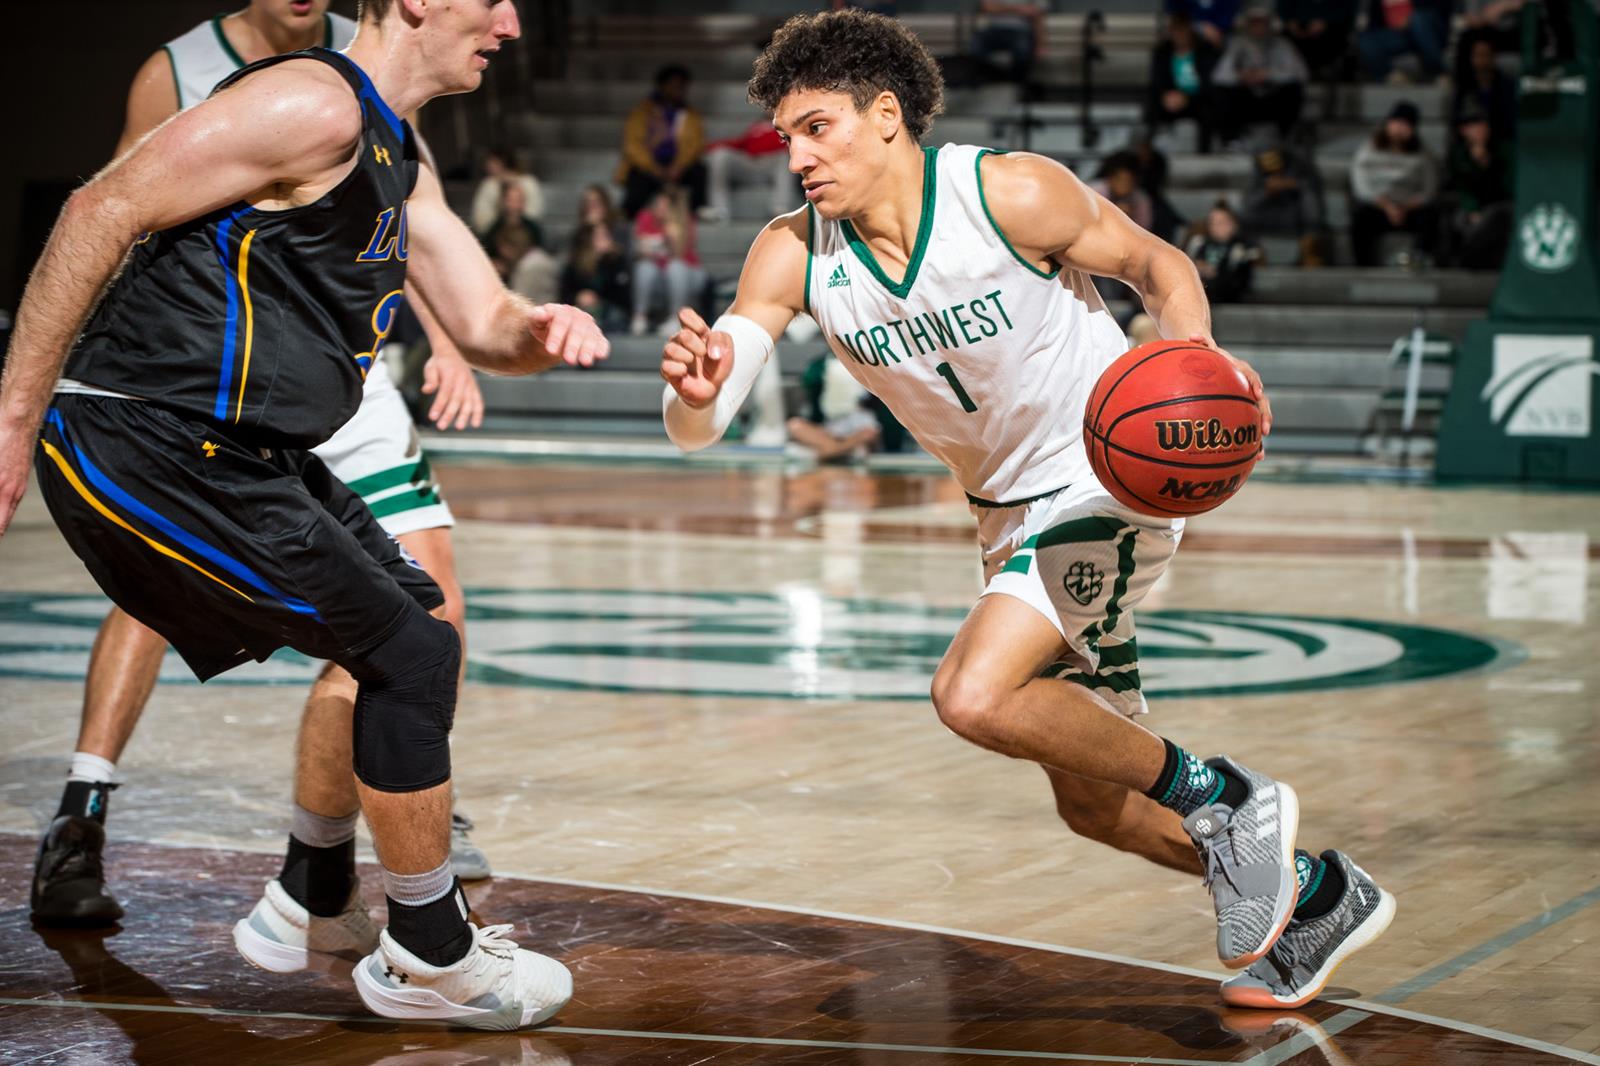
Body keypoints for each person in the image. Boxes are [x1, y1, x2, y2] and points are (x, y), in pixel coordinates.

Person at [659, 9, 1394, 1010]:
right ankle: (1316, 896)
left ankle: (1227, 798)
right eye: (786, 135)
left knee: (972, 694)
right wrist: (697, 393)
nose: (796, 156)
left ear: (885, 117)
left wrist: (1191, 359)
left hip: (1107, 478)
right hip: (1004, 517)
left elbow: (1157, 265)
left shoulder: (1005, 191)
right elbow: (702, 414)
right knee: (1097, 806)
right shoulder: (793, 253)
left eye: (815, 127)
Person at [0, 0, 608, 1029]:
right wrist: (12, 418)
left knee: (423, 617)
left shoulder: (387, 141)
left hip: (244, 450)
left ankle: (310, 894)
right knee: (408, 654)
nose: (510, 19)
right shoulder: (309, 102)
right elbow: (96, 208)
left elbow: (484, 319)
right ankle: (429, 951)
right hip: (149, 437)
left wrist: (542, 330)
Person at [1350, 100, 1441, 266]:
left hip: (1410, 208)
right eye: (1396, 123)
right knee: (1360, 216)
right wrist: (1388, 207)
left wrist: (1404, 208)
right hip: (1379, 207)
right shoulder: (1368, 151)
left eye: (1405, 125)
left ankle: (1419, 262)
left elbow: (1429, 190)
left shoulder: (1423, 155)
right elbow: (1361, 187)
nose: (1399, 129)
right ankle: (1363, 266)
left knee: (1431, 216)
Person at [617, 64, 708, 218]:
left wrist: (678, 167)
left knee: (699, 170)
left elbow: (695, 145)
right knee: (636, 176)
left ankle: (696, 212)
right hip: (650, 167)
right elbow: (632, 147)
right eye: (672, 85)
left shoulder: (690, 115)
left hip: (677, 168)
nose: (677, 90)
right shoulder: (642, 113)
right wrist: (654, 168)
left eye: (681, 86)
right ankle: (628, 215)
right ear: (662, 86)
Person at [1212, 5, 1309, 146]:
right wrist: (1242, 76)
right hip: (1247, 98)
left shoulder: (1282, 44)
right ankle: (1231, 140)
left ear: (1270, 24)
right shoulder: (1238, 44)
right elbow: (1219, 76)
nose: (1259, 27)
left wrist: (1268, 75)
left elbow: (1300, 74)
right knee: (1221, 92)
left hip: (1273, 98)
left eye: (1262, 22)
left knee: (1293, 89)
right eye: (1254, 23)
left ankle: (1286, 138)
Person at [1445, 102, 1513, 269]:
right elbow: (1462, 187)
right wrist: (1471, 209)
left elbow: (1508, 187)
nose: (1479, 129)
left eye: (1482, 124)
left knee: (1492, 219)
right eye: (1473, 126)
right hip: (1475, 205)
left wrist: (1486, 163)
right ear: (1463, 131)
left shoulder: (1505, 149)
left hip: (1502, 204)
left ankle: (1467, 261)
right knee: (1456, 219)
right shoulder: (1458, 154)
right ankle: (1448, 262)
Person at [1241, 139, 1330, 265]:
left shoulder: (1298, 167)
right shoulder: (1257, 172)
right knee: (1243, 219)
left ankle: (1309, 253)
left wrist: (1289, 184)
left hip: (1293, 215)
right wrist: (1266, 192)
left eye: (1274, 158)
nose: (1271, 162)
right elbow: (1248, 203)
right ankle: (1255, 255)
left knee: (1311, 210)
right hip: (1265, 214)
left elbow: (1310, 191)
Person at [631, 187, 706, 336]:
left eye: (666, 205)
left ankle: (676, 318)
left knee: (675, 267)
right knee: (644, 267)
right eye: (658, 205)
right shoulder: (646, 217)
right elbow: (639, 249)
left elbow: (679, 254)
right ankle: (640, 317)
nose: (661, 209)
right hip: (657, 272)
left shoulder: (683, 220)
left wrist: (670, 238)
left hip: (686, 272)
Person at [1146, 13, 1220, 153]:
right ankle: (1150, 151)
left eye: (1183, 31)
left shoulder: (1204, 50)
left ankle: (1204, 153)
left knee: (1210, 109)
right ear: (1171, 33)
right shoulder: (1162, 52)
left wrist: (1187, 98)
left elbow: (1210, 82)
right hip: (1172, 97)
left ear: (1190, 32)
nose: (1180, 36)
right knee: (1153, 105)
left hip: (1198, 99)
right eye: (1176, 31)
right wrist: (1165, 95)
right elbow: (1157, 80)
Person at [560, 185, 632, 328]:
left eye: (604, 236)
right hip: (585, 308)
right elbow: (565, 290)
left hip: (610, 308)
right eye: (589, 204)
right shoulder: (577, 255)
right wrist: (578, 296)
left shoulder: (615, 258)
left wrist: (606, 258)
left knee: (610, 317)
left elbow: (623, 296)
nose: (593, 208)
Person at [701, 119, 798, 224]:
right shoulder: (758, 125)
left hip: (771, 163)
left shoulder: (788, 126)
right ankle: (719, 210)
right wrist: (713, 146)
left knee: (784, 157)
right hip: (749, 163)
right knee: (720, 155)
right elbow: (741, 143)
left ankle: (780, 209)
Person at [1358, 0, 1451, 83]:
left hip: (1428, 32)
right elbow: (1373, 26)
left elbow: (1441, 12)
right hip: (1397, 36)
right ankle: (1389, 76)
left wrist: (1410, 19)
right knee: (1365, 39)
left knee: (1419, 20)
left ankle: (1437, 71)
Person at [1183, 202, 1261, 302]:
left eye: (1221, 223)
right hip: (1201, 289)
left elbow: (1242, 280)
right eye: (1212, 223)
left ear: (1234, 224)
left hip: (1228, 293)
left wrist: (1216, 273)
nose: (1216, 227)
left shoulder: (1243, 247)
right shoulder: (1199, 243)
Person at [470, 146, 545, 236]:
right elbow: (480, 218)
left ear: (503, 162)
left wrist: (516, 226)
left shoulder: (529, 182)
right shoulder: (488, 185)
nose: (487, 165)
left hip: (525, 234)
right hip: (494, 235)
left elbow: (534, 213)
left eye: (492, 162)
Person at [1276, 0, 1358, 76]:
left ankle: (1322, 70)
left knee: (1334, 39)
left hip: (1331, 28)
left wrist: (1325, 21)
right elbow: (1282, 8)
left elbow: (1348, 10)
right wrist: (1290, 21)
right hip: (1299, 27)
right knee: (1284, 40)